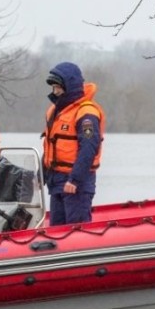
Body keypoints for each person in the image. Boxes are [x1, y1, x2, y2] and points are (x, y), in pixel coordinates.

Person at [42, 62, 105, 226]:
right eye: (54, 88)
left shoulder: (86, 114)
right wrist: (40, 175)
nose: (55, 93)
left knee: (76, 231)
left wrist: (75, 180)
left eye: (58, 88)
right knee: (56, 229)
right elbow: (51, 147)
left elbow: (89, 148)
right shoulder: (56, 112)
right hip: (56, 181)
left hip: (76, 183)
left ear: (69, 87)